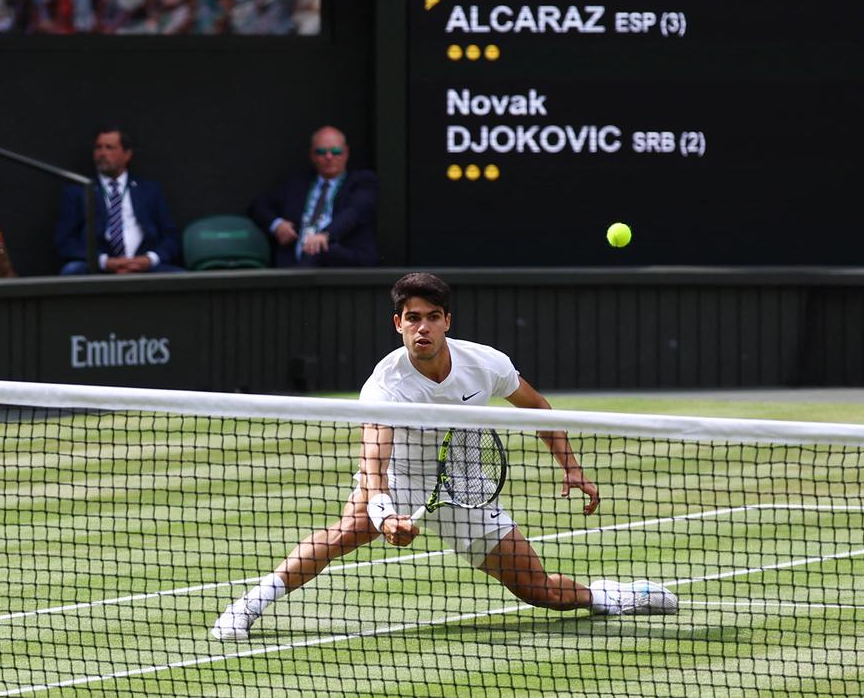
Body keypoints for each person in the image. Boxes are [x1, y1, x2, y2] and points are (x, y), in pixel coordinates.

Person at [211, 272, 678, 641]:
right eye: (412, 318)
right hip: (398, 482)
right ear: (398, 324)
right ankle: (247, 606)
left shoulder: (486, 363)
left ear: (447, 321)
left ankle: (611, 596)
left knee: (540, 592)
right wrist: (385, 514)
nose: (423, 327)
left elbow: (536, 408)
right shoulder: (384, 385)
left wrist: (571, 467)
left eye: (432, 316)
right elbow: (374, 465)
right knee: (341, 534)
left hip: (468, 490)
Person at [247, 125, 378, 267]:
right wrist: (277, 225)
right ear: (312, 155)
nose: (329, 157)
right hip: (292, 264)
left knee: (318, 250)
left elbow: (354, 212)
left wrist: (325, 235)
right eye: (321, 152)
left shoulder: (362, 181)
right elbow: (259, 205)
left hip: (340, 261)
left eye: (336, 151)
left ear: (346, 152)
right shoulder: (297, 183)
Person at [55, 128, 182, 274]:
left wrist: (149, 259)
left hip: (143, 264)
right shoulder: (79, 191)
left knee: (183, 279)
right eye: (98, 148)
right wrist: (104, 261)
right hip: (99, 266)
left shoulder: (149, 190)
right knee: (72, 271)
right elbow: (65, 241)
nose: (102, 153)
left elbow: (171, 235)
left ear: (127, 154)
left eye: (109, 148)